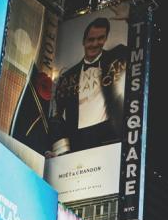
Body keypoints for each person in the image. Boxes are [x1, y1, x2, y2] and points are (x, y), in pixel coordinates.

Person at [49, 17, 128, 155]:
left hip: (110, 137)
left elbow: (140, 46)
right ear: (84, 41)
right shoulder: (67, 76)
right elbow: (56, 115)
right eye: (91, 40)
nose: (95, 43)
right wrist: (61, 149)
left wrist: (130, 16)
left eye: (100, 38)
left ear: (106, 38)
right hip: (78, 140)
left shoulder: (118, 56)